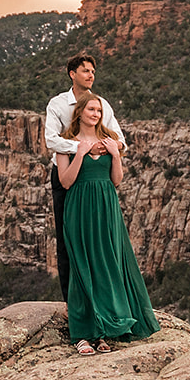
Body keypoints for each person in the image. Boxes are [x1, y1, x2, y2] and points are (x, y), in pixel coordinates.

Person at [56, 93, 159, 354]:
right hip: (78, 207)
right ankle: (81, 334)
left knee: (105, 264)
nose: (96, 114)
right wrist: (79, 153)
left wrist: (115, 155)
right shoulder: (66, 143)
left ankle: (102, 331)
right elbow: (66, 182)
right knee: (81, 266)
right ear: (79, 112)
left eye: (99, 110)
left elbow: (116, 180)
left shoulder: (109, 139)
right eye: (91, 109)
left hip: (106, 207)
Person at [44, 54, 125, 300]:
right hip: (64, 174)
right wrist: (81, 148)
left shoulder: (102, 104)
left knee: (99, 239)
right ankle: (71, 301)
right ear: (72, 74)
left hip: (95, 176)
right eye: (85, 71)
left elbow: (120, 140)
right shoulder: (57, 104)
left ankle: (101, 299)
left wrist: (105, 148)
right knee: (67, 238)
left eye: (93, 71)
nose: (91, 75)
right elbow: (51, 140)